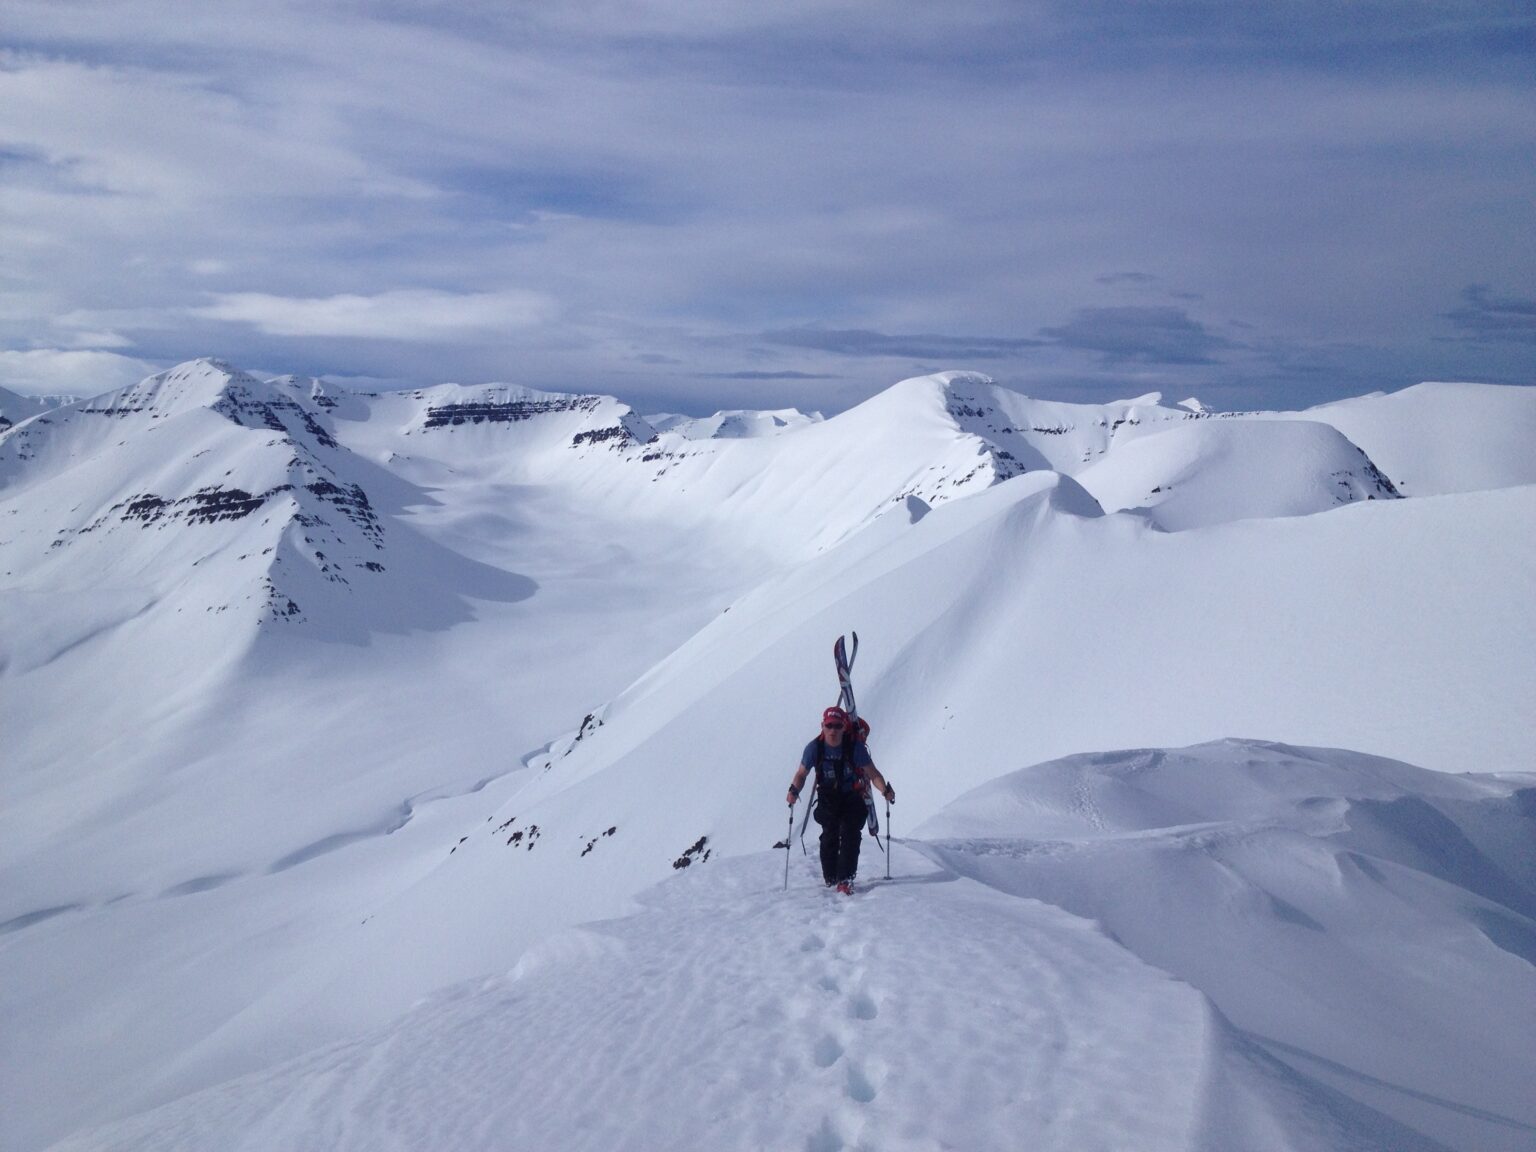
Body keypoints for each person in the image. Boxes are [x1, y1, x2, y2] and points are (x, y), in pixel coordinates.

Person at [785, 706, 895, 892]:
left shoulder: (854, 748)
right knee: (830, 833)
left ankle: (845, 878)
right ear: (823, 726)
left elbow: (872, 773)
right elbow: (802, 774)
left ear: (844, 727)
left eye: (837, 726)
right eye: (829, 726)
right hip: (828, 797)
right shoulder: (814, 748)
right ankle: (830, 877)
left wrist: (884, 790)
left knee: (851, 833)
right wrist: (794, 790)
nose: (833, 730)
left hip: (851, 795)